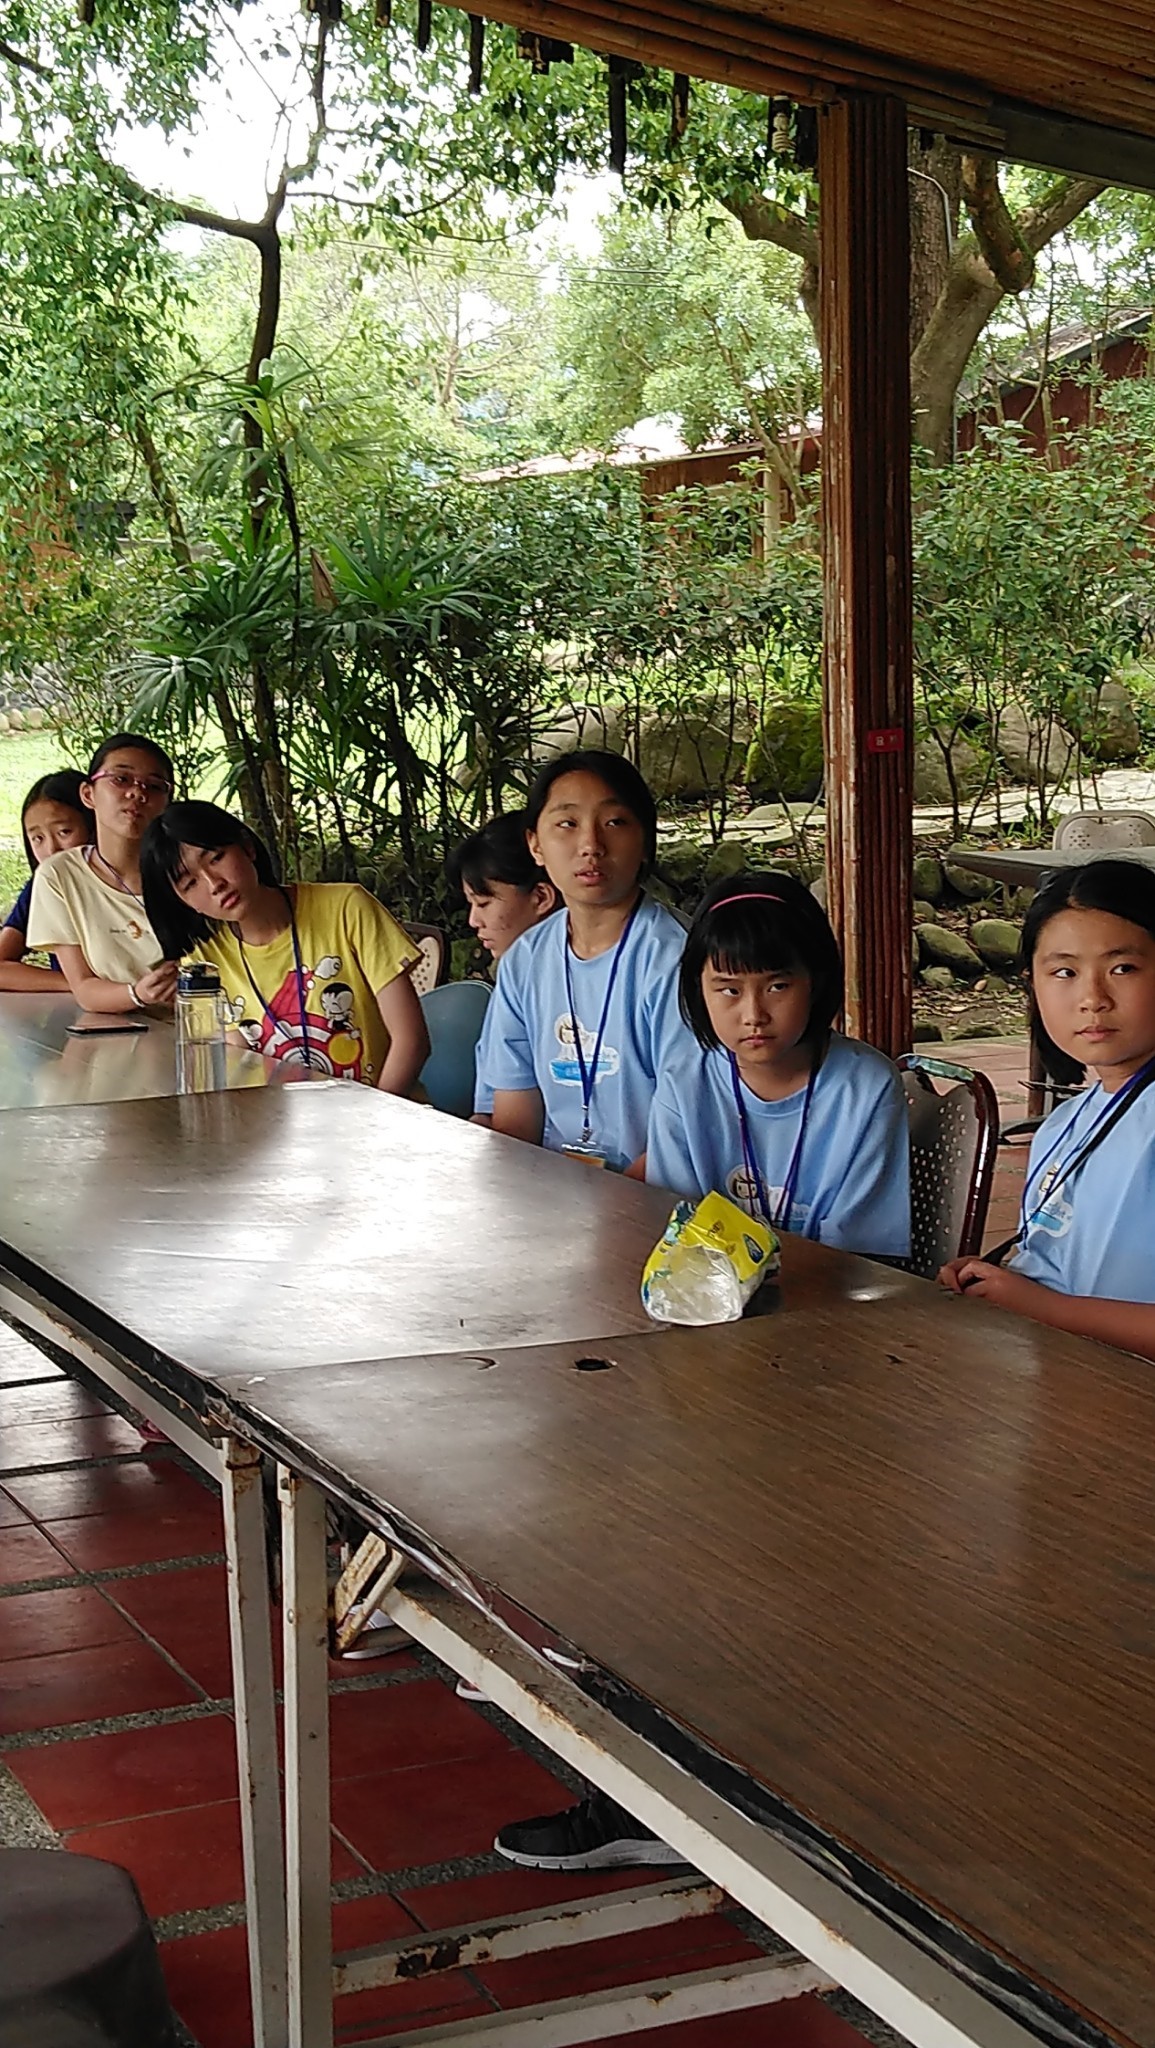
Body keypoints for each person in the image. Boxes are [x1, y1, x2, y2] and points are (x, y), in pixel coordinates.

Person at [940, 858, 1155, 1361]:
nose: (1092, 998)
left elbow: (1051, 1305)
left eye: (1122, 968)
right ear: (1032, 985)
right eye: (1064, 972)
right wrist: (995, 1282)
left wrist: (1041, 1307)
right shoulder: (1062, 1127)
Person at [646, 873, 910, 1254]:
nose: (754, 1015)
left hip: (836, 1285)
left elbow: (859, 1257)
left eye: (777, 987)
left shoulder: (868, 1089)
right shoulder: (682, 1084)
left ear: (815, 981)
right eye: (729, 989)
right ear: (698, 990)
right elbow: (677, 1236)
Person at [483, 750, 688, 1172]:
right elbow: (515, 1119)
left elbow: (686, 1128)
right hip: (551, 1189)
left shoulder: (675, 958)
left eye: (615, 822)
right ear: (535, 845)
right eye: (567, 824)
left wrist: (614, 1201)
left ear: (645, 841)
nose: (591, 845)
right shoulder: (525, 960)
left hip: (655, 1192)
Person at [140, 801, 430, 1092]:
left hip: (386, 1111)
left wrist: (374, 1118)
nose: (214, 884)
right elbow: (235, 1065)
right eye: (190, 884)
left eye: (216, 858)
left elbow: (411, 1041)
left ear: (247, 847)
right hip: (280, 1118)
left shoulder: (347, 908)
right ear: (182, 902)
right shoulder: (204, 965)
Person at [26, 734, 177, 1012]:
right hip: (121, 1027)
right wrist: (139, 993)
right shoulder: (60, 876)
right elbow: (84, 987)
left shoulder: (189, 868)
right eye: (121, 779)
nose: (137, 793)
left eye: (154, 786)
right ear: (88, 794)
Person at [447, 810, 558, 1124]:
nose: (473, 921)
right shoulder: (514, 975)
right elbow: (489, 1113)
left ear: (541, 897)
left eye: (483, 904)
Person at [0, 772, 93, 991]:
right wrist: (81, 985)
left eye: (64, 832)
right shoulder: (42, 887)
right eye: (38, 838)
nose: (51, 849)